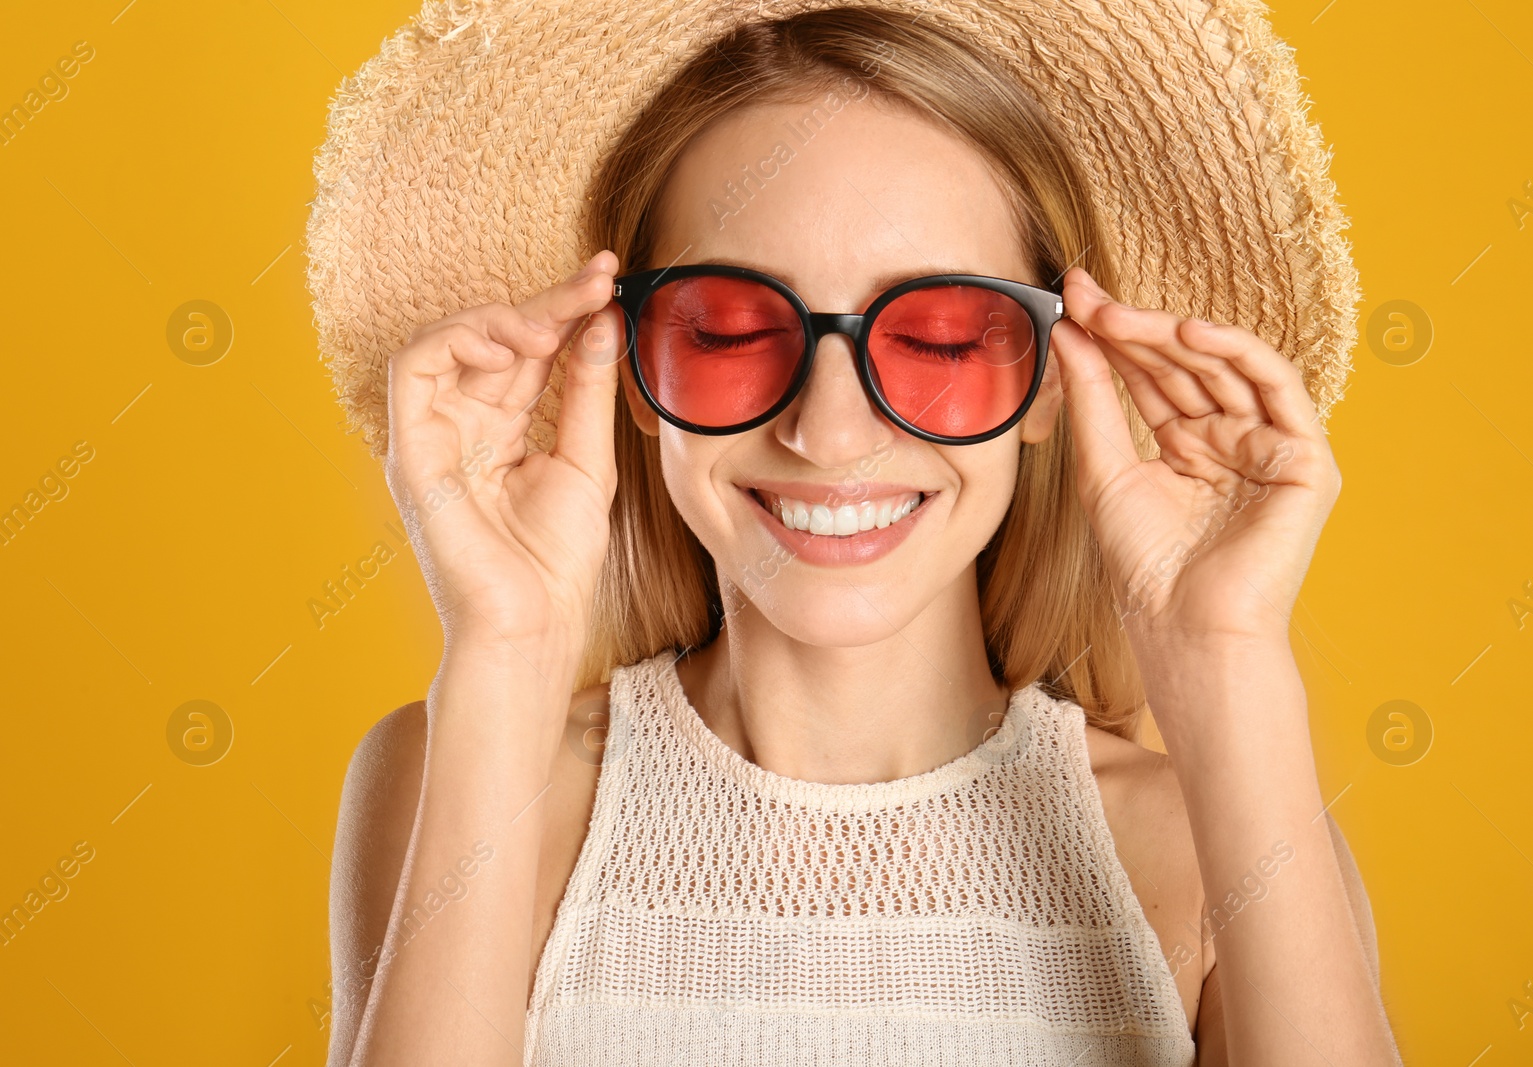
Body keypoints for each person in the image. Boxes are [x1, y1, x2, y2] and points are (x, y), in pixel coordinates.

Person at [305, 3, 1399, 1065]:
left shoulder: (1211, 838)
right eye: (730, 329)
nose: (827, 431)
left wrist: (1224, 656)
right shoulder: (459, 766)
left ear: (1053, 385)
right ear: (633, 369)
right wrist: (504, 648)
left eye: (941, 337)